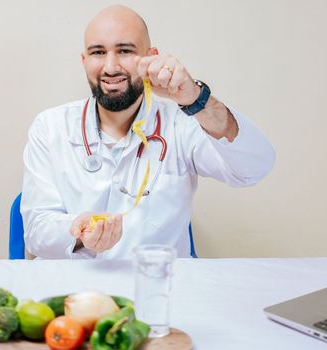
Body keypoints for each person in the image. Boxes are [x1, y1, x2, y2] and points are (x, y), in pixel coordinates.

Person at [21, 5, 275, 259]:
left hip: (157, 286)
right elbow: (36, 231)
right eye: (98, 52)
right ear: (84, 60)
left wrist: (196, 100)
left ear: (150, 57)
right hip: (76, 290)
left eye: (125, 50)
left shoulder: (182, 122)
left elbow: (252, 169)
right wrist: (76, 231)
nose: (110, 67)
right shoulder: (50, 126)